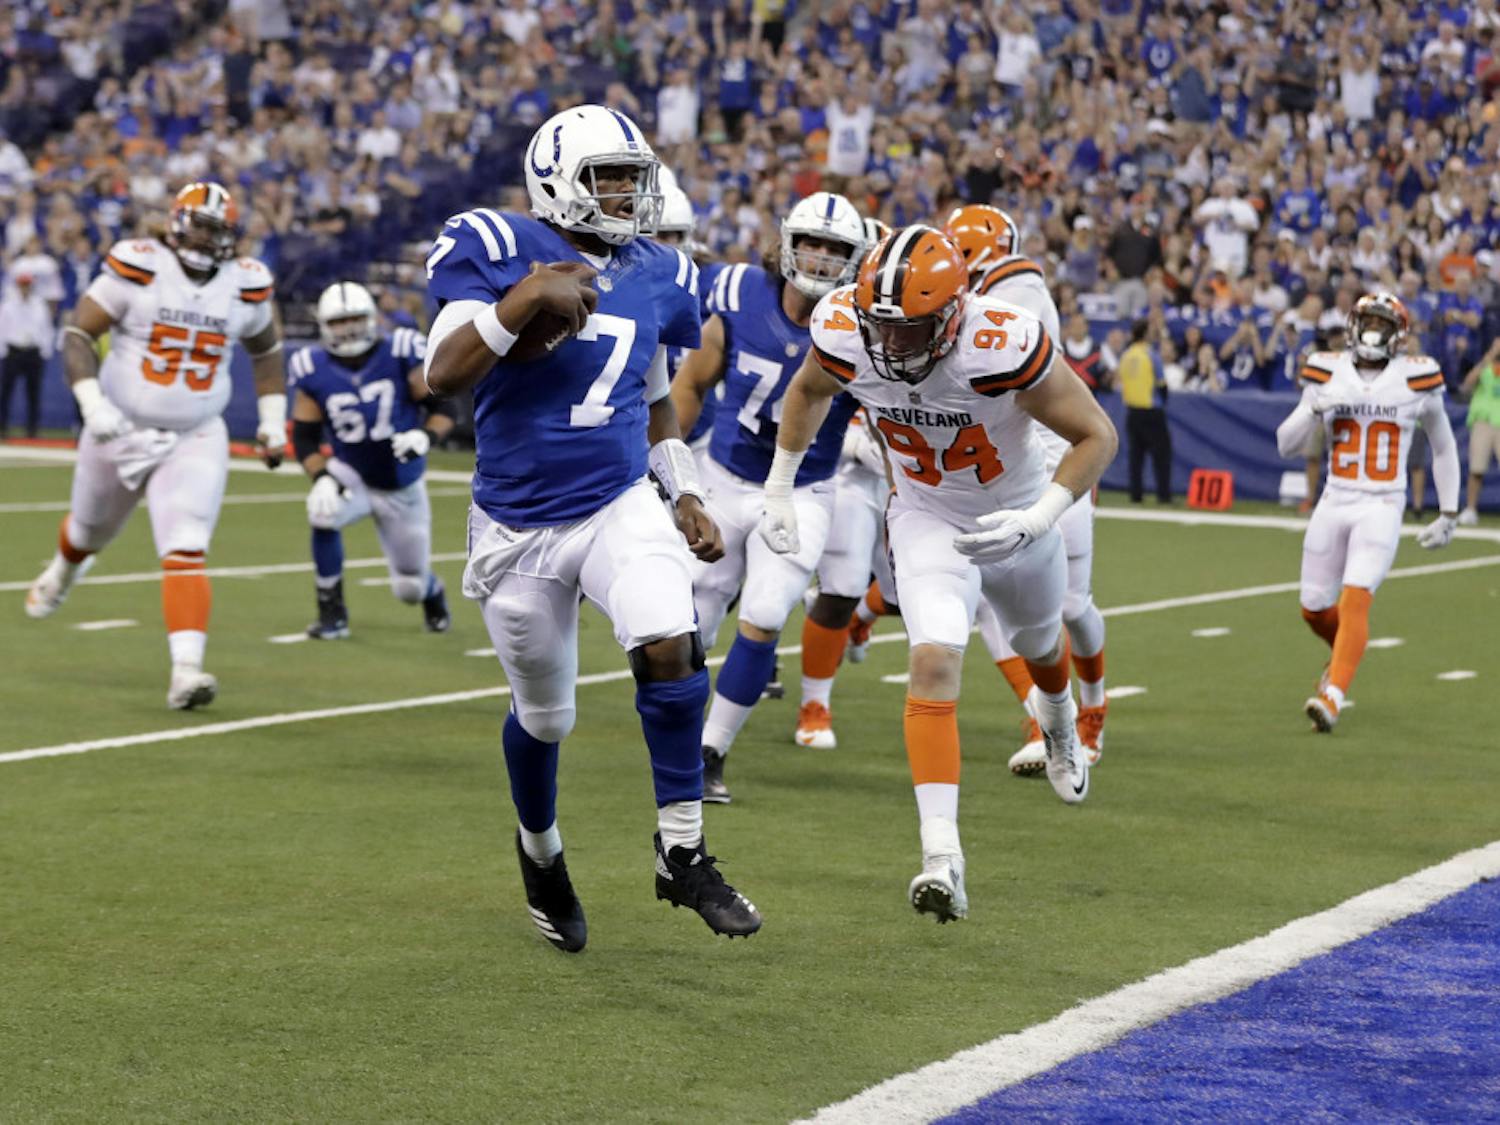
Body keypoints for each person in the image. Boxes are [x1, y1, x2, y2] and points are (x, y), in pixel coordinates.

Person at [423, 105, 761, 952]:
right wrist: (525, 296)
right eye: (607, 176)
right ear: (556, 180)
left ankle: (681, 850)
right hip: (518, 522)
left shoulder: (658, 272)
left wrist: (681, 490)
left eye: (632, 177)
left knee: (669, 634)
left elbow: (652, 393)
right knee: (546, 719)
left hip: (615, 498)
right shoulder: (496, 243)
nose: (625, 192)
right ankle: (540, 848)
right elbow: (442, 374)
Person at [762, 226, 1117, 922]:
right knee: (931, 663)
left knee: (1044, 648)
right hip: (925, 517)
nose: (892, 344)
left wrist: (1041, 515)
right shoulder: (844, 326)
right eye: (882, 325)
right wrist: (779, 483)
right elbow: (807, 392)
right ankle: (941, 858)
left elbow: (1097, 433)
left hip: (1014, 513)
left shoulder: (1000, 341)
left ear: (954, 312)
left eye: (911, 328)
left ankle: (1060, 726)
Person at [23, 182, 287, 708]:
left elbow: (267, 350)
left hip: (196, 432)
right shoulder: (138, 265)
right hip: (119, 426)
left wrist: (272, 421)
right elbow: (78, 335)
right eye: (203, 225)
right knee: (88, 529)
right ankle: (65, 568)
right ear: (177, 221)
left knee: (186, 545)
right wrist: (92, 403)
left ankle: (185, 671)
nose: (210, 238)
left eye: (220, 230)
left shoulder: (245, 284)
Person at [668, 191, 868, 794]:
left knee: (763, 612)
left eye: (836, 249)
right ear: (787, 242)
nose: (822, 257)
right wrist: (672, 467)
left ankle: (711, 751)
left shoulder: (863, 323)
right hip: (724, 478)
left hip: (804, 491)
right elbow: (692, 382)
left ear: (854, 259)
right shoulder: (735, 292)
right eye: (811, 242)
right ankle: (678, 728)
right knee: (686, 625)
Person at [945, 204, 1111, 772]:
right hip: (1000, 476)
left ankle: (1092, 708)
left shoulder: (1017, 285)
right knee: (992, 605)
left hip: (1052, 470)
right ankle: (1045, 717)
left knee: (1071, 605)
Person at [1276, 293, 1460, 732]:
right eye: (1368, 322)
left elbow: (1443, 445)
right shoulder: (1326, 369)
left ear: (1399, 335)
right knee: (1313, 608)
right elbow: (1285, 444)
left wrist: (1449, 512)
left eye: (1384, 324)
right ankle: (1344, 654)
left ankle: (1332, 696)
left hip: (1381, 502)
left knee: (1355, 597)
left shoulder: (1417, 377)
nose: (1374, 333)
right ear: (1352, 325)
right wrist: (1314, 409)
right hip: (1334, 498)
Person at [286, 281, 454, 639]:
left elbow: (444, 408)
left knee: (408, 586)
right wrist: (322, 478)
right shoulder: (310, 366)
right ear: (323, 326)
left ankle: (431, 591)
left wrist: (425, 436)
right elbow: (304, 435)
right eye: (338, 321)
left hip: (400, 481)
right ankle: (332, 614)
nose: (347, 329)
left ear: (371, 319)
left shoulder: (401, 350)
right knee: (321, 512)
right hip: (352, 471)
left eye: (355, 319)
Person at [1119, 319, 1172, 503]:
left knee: (1136, 456)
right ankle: (1163, 495)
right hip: (1151, 410)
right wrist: (1162, 402)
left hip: (1132, 411)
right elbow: (1162, 384)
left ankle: (1136, 495)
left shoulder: (1126, 355)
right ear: (1145, 333)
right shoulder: (1151, 355)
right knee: (1162, 454)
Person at [0, 271, 54, 438]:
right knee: (5, 392)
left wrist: (45, 351)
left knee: (33, 393)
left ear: (31, 286)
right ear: (17, 285)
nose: (25, 288)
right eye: (22, 284)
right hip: (14, 351)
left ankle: (32, 429)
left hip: (32, 352)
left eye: (27, 284)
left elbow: (46, 329)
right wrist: (3, 352)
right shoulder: (7, 305)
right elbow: (2, 328)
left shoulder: (39, 305)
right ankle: (2, 427)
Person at [1459, 336, 1500, 524]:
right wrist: (1490, 356)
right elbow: (1467, 384)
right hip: (1482, 421)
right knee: (1477, 468)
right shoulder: (1485, 366)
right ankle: (1471, 509)